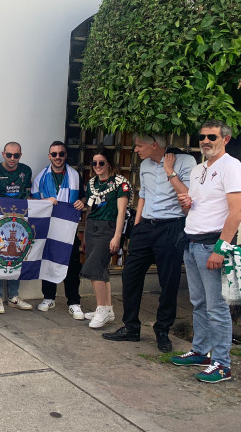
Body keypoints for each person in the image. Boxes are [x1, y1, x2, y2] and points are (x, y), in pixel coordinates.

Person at [103, 134, 196, 352]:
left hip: (171, 226)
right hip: (145, 226)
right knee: (130, 274)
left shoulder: (185, 162)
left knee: (169, 281)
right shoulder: (144, 164)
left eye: (138, 145)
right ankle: (131, 326)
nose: (135, 150)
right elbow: (143, 194)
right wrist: (137, 226)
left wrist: (169, 171)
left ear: (154, 145)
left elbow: (188, 195)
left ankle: (162, 329)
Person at [171, 120, 241, 383]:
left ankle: (222, 364)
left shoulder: (232, 166)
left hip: (212, 245)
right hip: (191, 243)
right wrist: (186, 204)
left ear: (226, 138)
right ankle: (201, 351)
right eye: (202, 137)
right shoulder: (199, 168)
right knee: (198, 303)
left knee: (217, 307)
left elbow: (237, 211)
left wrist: (221, 249)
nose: (205, 141)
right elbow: (196, 207)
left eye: (212, 136)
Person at [73, 150, 130, 329]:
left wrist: (117, 236)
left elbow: (121, 211)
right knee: (101, 269)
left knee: (94, 268)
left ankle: (101, 308)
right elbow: (89, 210)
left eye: (101, 163)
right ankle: (107, 308)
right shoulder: (92, 183)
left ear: (110, 164)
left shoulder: (120, 183)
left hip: (109, 227)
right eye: (95, 163)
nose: (97, 166)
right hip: (93, 227)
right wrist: (85, 234)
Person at [31, 141, 84, 317]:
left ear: (65, 155)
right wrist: (45, 202)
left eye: (61, 154)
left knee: (72, 266)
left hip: (68, 230)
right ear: (49, 156)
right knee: (47, 262)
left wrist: (82, 202)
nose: (58, 157)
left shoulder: (75, 175)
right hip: (48, 229)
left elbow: (84, 198)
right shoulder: (40, 178)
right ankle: (48, 297)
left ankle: (74, 301)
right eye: (54, 154)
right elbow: (33, 202)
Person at [0, 142, 33, 313]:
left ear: (20, 155)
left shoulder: (26, 170)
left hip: (20, 217)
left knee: (17, 254)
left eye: (16, 155)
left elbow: (28, 194)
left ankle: (13, 297)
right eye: (9, 155)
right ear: (3, 154)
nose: (12, 159)